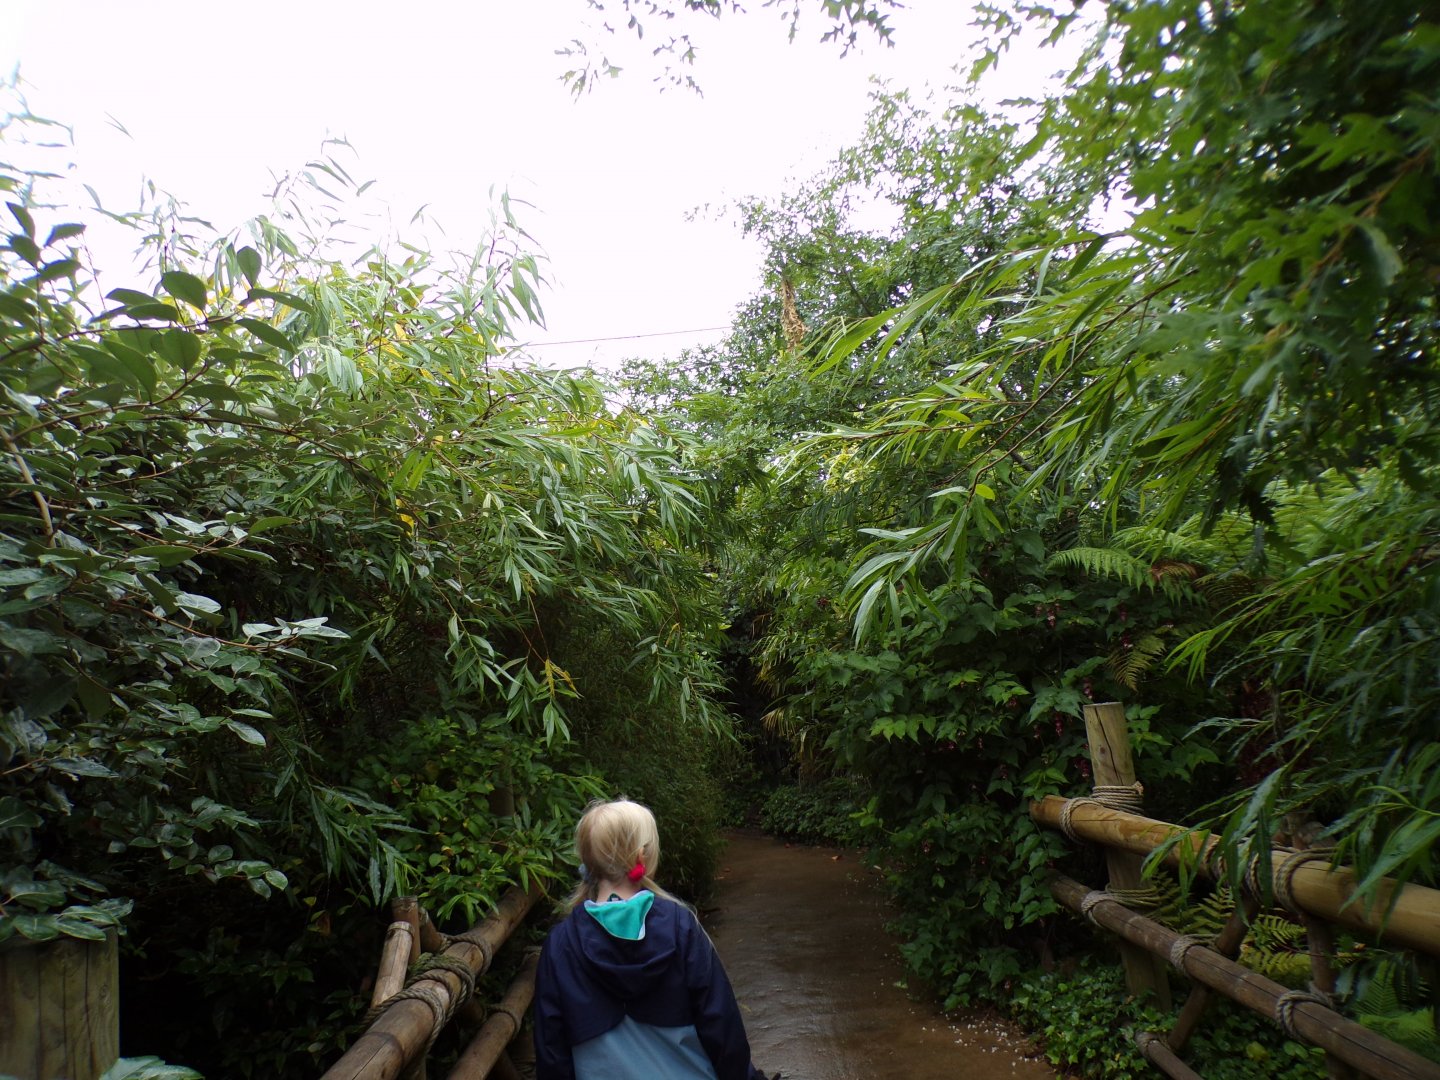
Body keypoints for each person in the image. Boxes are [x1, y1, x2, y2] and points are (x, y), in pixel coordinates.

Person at [533, 798, 768, 1080]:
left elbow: (551, 1051)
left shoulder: (560, 944)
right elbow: (722, 1026)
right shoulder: (682, 927)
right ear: (641, 858)